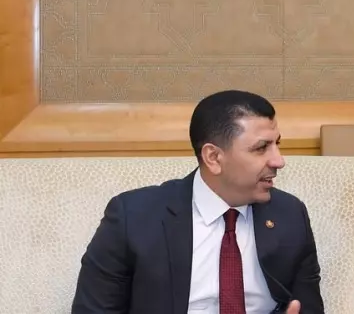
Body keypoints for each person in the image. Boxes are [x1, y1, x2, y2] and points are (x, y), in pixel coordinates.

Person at [71, 90, 323, 314]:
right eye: (261, 148)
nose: (278, 161)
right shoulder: (133, 218)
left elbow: (307, 307)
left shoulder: (290, 214)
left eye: (277, 144)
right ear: (213, 157)